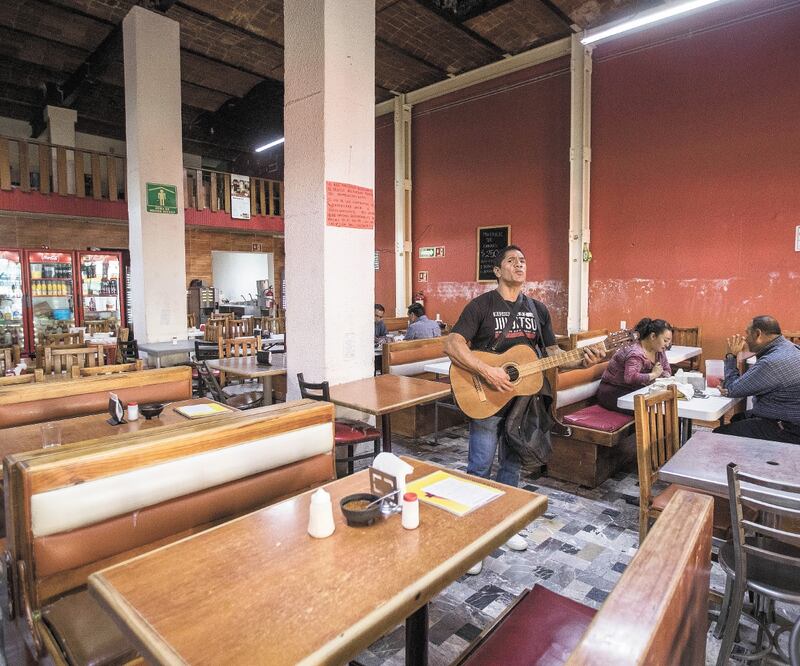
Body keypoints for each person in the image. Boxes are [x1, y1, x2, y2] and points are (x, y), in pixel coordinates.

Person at [445, 245, 604, 570]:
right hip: (486, 398)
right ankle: (474, 542)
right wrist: (486, 370)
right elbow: (453, 343)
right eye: (511, 261)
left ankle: (505, 527)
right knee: (479, 467)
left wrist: (581, 360)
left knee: (511, 466)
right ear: (498, 270)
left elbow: (552, 358)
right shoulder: (481, 305)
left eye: (523, 260)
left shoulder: (538, 309)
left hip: (523, 402)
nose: (519, 265)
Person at [713, 316, 800, 444]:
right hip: (789, 418)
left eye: (747, 333)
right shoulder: (790, 348)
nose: (745, 339)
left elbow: (732, 390)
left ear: (758, 334)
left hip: (787, 428)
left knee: (718, 435)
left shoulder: (772, 361)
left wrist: (731, 356)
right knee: (738, 418)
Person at [596, 318, 673, 413]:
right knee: (650, 411)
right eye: (665, 340)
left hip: (634, 389)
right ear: (653, 336)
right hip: (613, 391)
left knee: (667, 405)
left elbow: (667, 370)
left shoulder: (659, 351)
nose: (668, 345)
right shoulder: (635, 352)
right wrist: (654, 375)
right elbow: (630, 377)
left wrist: (662, 376)